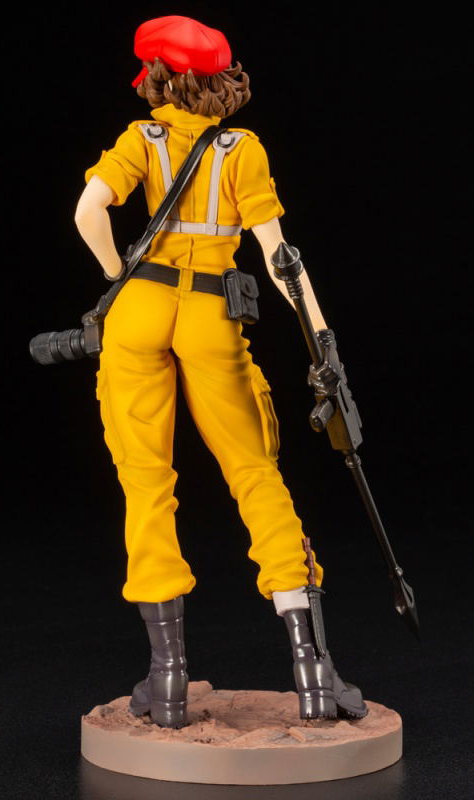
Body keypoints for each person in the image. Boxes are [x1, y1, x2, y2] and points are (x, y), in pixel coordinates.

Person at [74, 15, 367, 728]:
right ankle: (313, 673)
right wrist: (320, 337)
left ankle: (168, 681)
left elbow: (88, 210)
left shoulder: (140, 139)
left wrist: (118, 276)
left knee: (146, 484)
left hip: (138, 312)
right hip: (210, 315)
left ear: (158, 78)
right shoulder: (243, 150)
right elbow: (279, 257)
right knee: (255, 473)